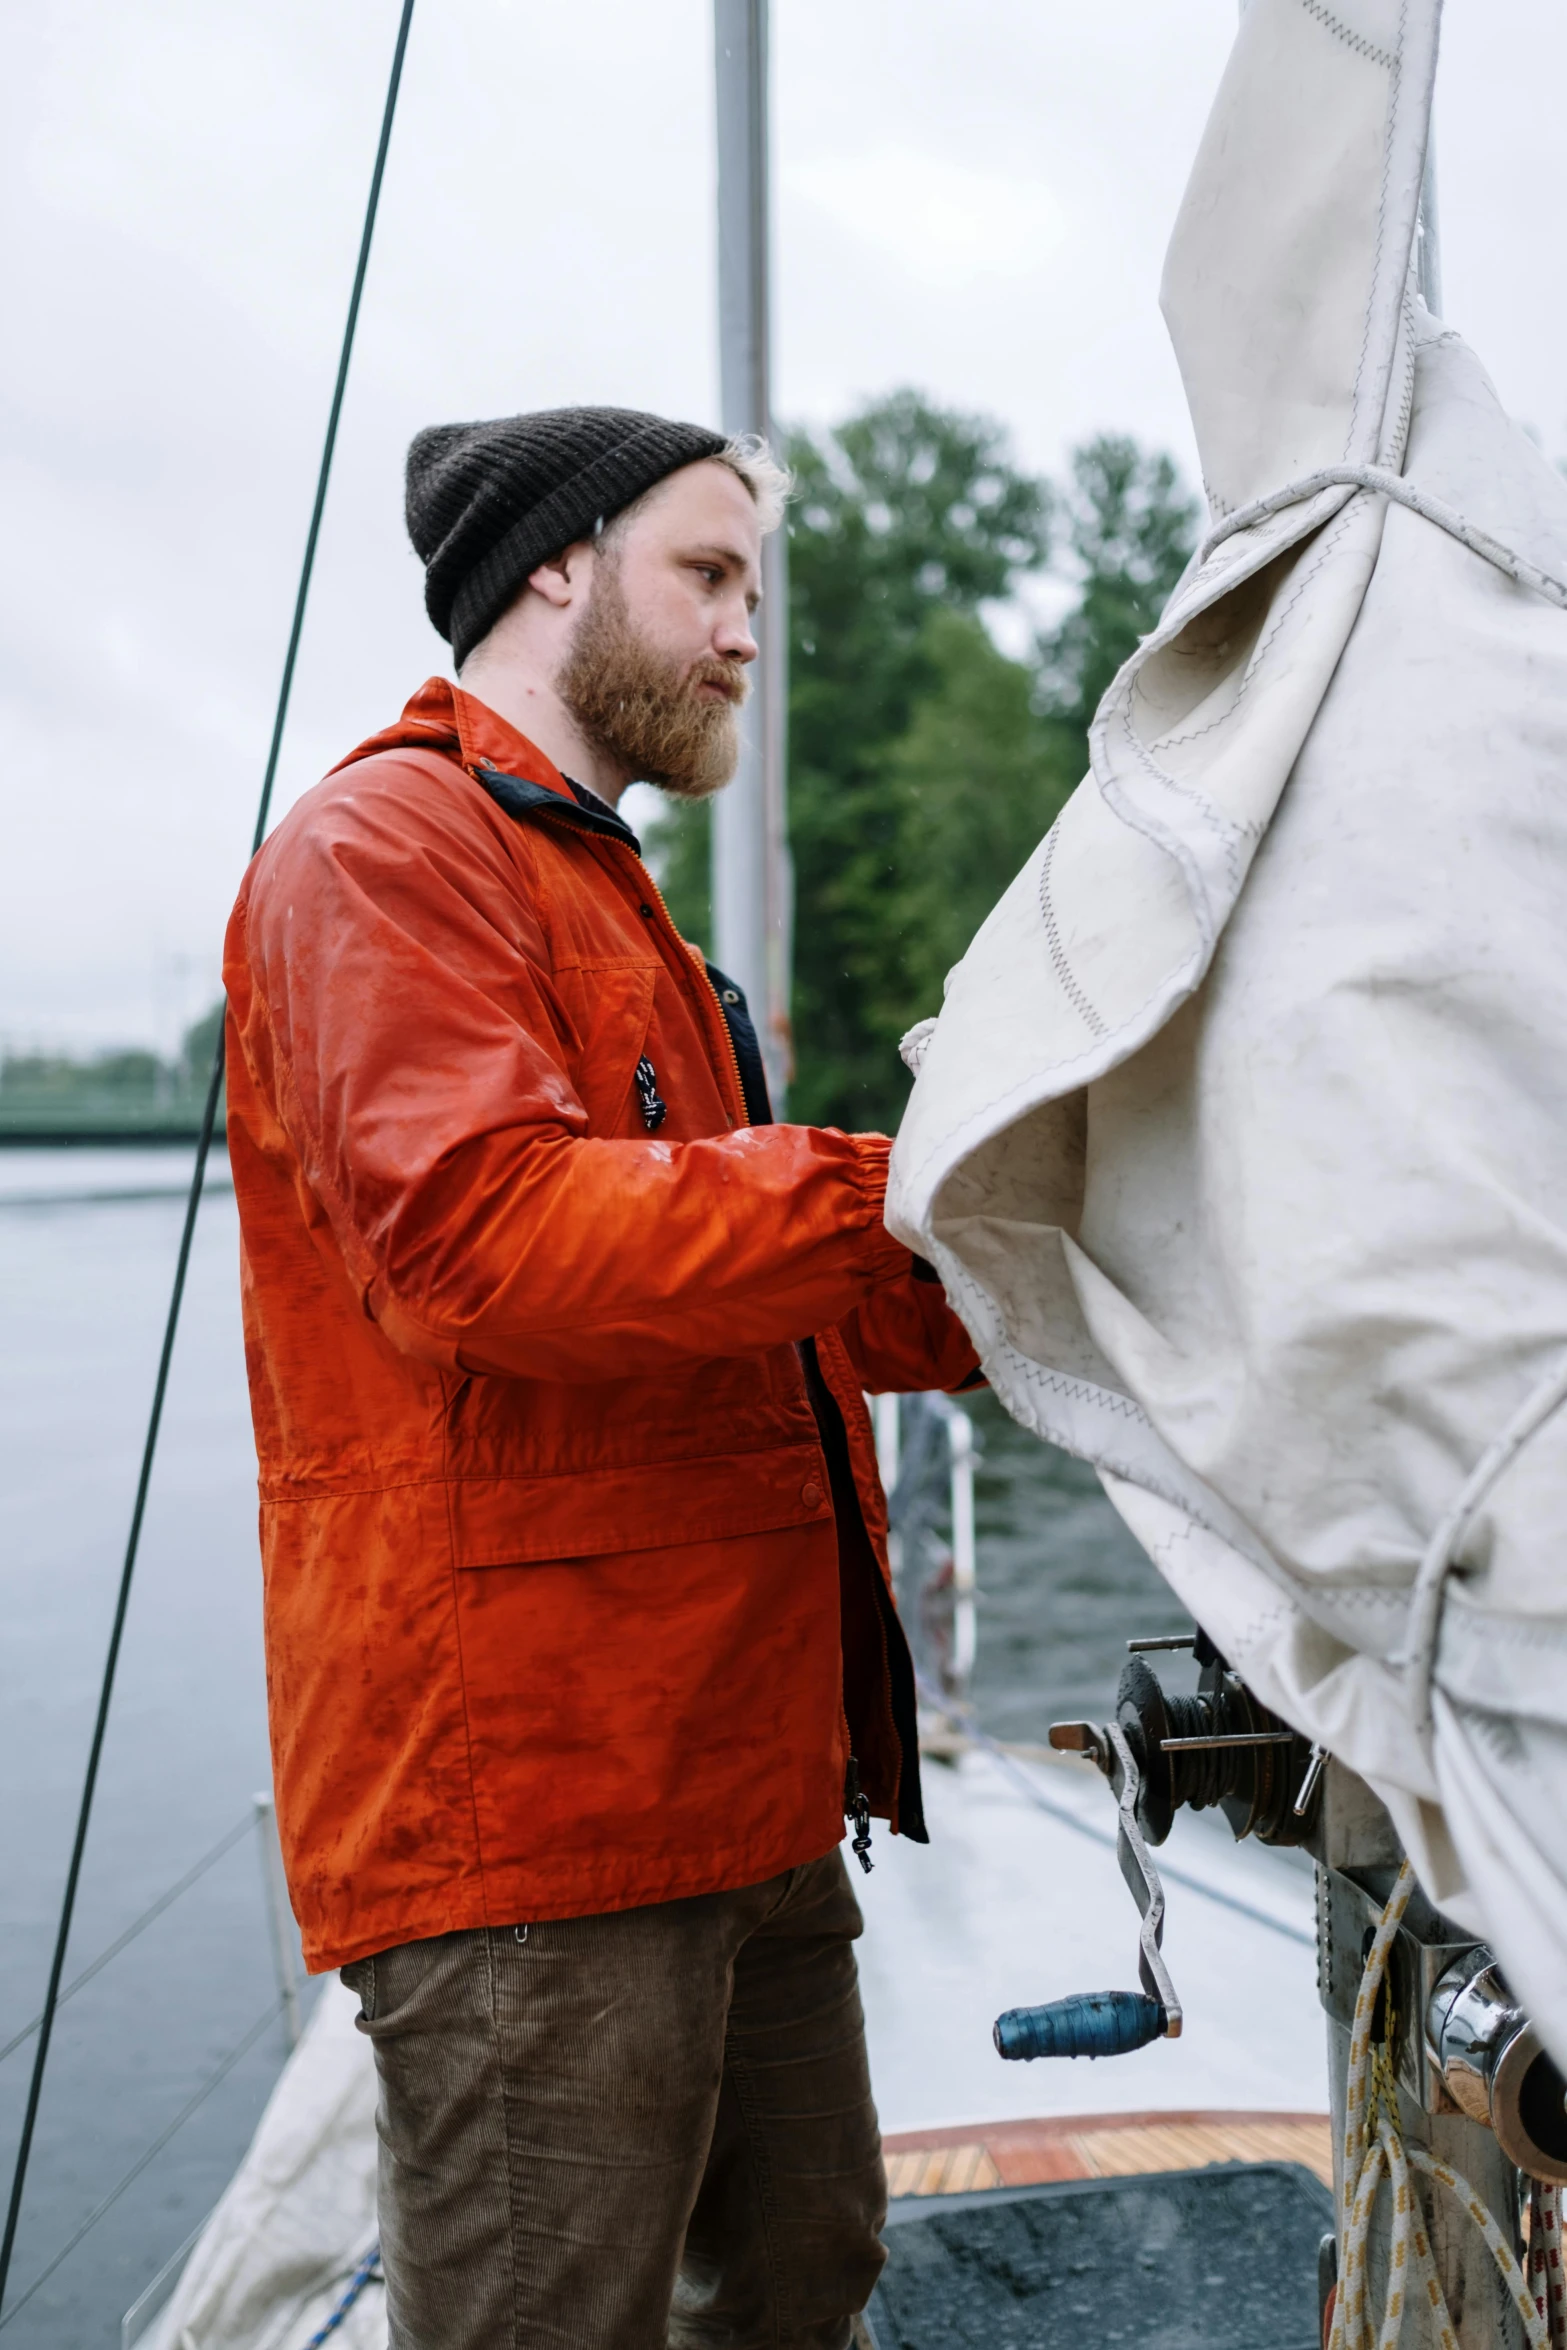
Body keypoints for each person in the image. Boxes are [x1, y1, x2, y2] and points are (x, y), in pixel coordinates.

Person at [223, 404, 981, 2349]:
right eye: (709, 576)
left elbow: (768, 1285)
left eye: (754, 587)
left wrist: (1048, 1259)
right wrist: (892, 1189)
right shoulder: (381, 853)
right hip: (537, 1824)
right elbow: (481, 1241)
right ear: (553, 569)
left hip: (743, 1780)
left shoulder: (619, 903)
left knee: (804, 2275)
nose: (749, 631)